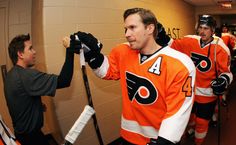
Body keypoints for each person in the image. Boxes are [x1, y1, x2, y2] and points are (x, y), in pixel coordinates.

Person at [71, 8, 196, 145]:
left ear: (149, 28)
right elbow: (107, 71)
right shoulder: (122, 51)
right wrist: (92, 55)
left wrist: (164, 140)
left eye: (132, 28)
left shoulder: (179, 63)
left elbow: (177, 110)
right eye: (125, 29)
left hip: (159, 138)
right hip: (128, 135)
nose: (127, 34)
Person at [166, 15, 233, 145]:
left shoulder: (221, 48)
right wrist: (161, 35)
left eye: (206, 28)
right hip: (188, 93)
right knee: (187, 119)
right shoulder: (190, 40)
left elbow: (227, 73)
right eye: (200, 28)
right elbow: (171, 44)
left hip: (207, 95)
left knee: (202, 122)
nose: (202, 31)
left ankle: (198, 142)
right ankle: (190, 131)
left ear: (213, 30)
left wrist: (223, 80)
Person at [4, 34, 81, 145]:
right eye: (30, 48)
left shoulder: (11, 75)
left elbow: (20, 99)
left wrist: (37, 106)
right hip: (32, 138)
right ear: (20, 54)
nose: (34, 51)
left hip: (21, 134)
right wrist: (69, 51)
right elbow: (64, 81)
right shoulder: (27, 76)